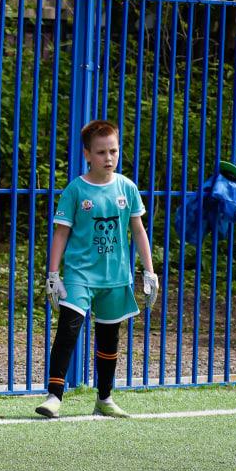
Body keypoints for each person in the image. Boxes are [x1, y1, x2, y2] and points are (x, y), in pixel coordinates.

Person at [37, 119, 158, 419]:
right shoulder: (76, 189)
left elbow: (138, 230)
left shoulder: (127, 188)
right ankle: (54, 395)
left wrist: (150, 271)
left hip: (116, 277)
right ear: (88, 154)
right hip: (80, 274)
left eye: (113, 151)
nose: (108, 158)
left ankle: (104, 398)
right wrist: (53, 274)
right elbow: (62, 232)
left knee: (109, 337)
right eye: (101, 152)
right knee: (68, 329)